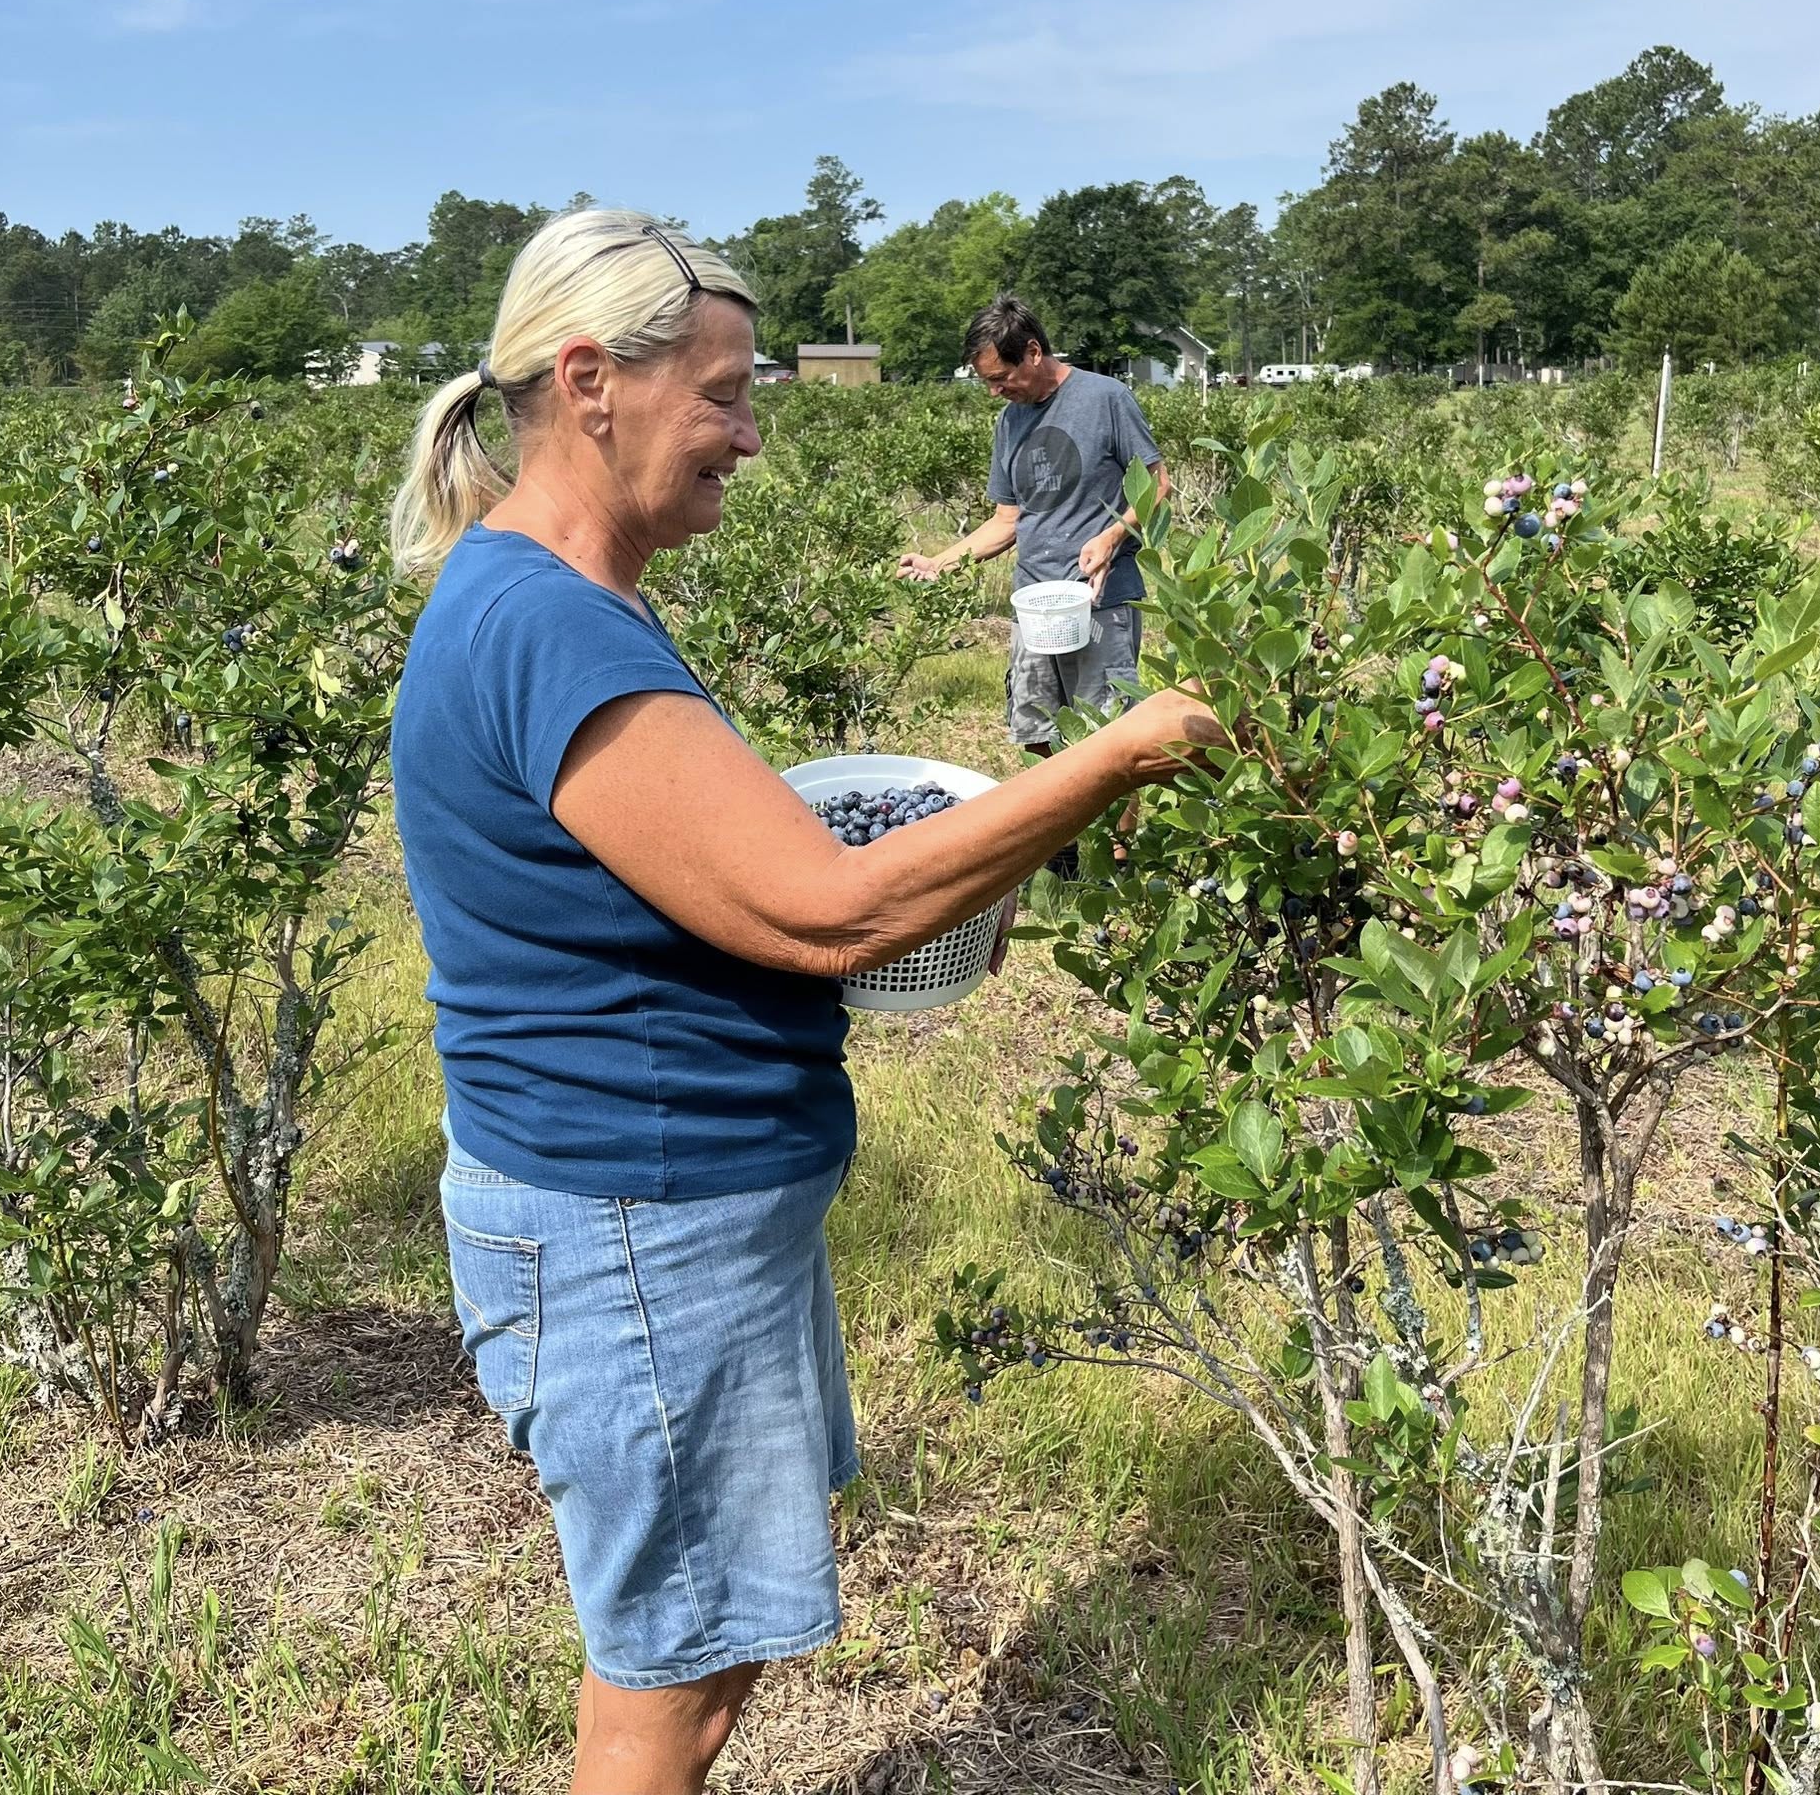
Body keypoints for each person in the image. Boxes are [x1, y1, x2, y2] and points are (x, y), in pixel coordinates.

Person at [387, 209, 1219, 1795]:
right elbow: (825, 907)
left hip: (656, 1206)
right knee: (673, 1680)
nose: (751, 436)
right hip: (633, 1216)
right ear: (590, 384)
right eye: (723, 394)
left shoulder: (564, 598)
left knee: (704, 1642)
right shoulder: (546, 622)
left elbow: (720, 869)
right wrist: (1113, 756)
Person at [898, 298, 1169, 871]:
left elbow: (1159, 486)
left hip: (1100, 600)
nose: (996, 392)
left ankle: (1116, 859)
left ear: (1035, 352)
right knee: (1036, 726)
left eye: (1002, 378)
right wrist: (939, 563)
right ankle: (1063, 841)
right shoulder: (1010, 419)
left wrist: (1113, 536)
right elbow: (1006, 521)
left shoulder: (1105, 400)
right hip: (1036, 602)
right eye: (987, 383)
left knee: (1110, 734)